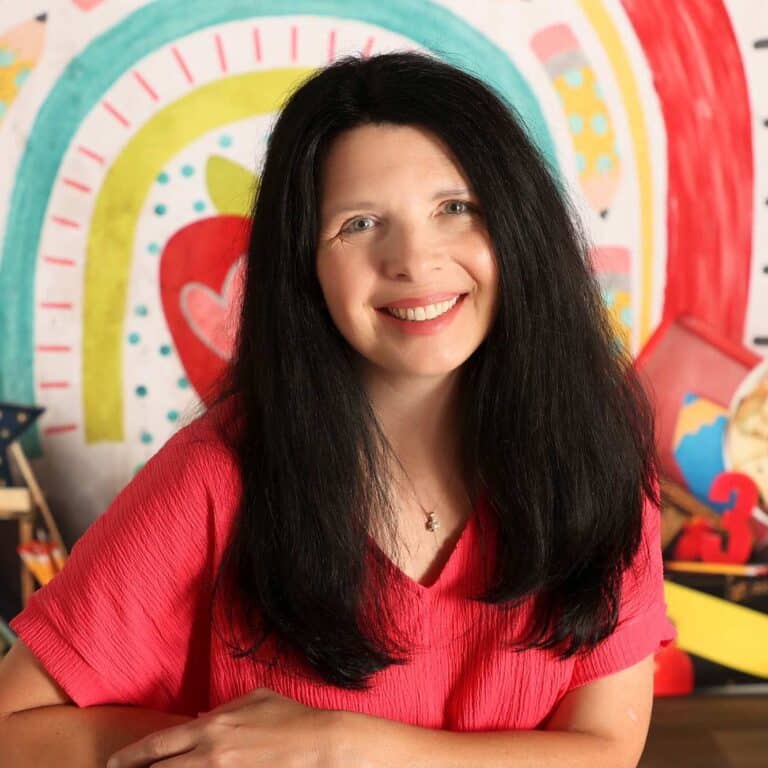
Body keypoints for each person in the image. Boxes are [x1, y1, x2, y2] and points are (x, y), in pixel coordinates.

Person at [0, 50, 675, 767]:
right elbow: (13, 729)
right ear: (305, 264)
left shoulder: (596, 455)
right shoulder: (216, 476)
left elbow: (606, 749)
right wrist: (229, 750)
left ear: (518, 227)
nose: (413, 260)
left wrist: (344, 745)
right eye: (359, 224)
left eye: (455, 208)